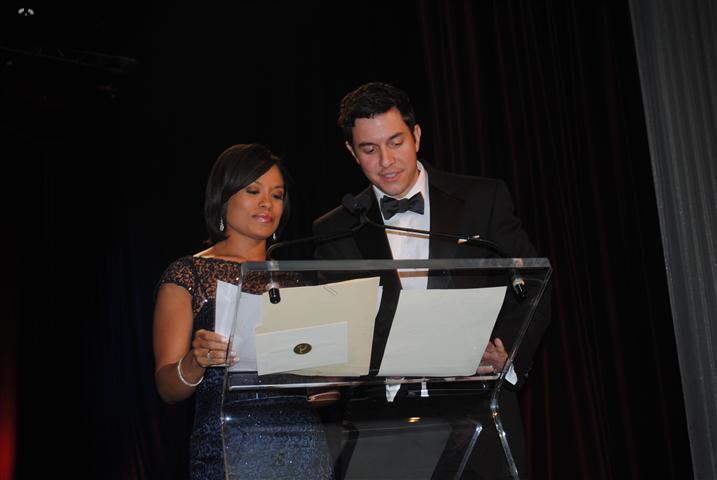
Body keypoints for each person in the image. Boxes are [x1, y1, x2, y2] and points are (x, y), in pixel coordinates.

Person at [313, 82, 551, 478]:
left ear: (417, 136)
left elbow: (535, 283)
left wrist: (506, 352)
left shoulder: (482, 199)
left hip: (478, 412)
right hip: (382, 425)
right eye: (369, 149)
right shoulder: (334, 229)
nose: (387, 161)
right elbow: (334, 327)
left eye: (396, 142)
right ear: (352, 152)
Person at [153, 144, 334, 480]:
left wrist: (333, 368)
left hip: (303, 446)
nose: (267, 203)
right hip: (227, 446)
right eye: (253, 191)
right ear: (223, 198)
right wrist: (196, 361)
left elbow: (321, 395)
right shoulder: (189, 274)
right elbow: (167, 388)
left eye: (277, 195)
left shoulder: (297, 280)